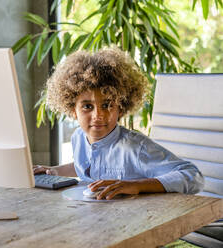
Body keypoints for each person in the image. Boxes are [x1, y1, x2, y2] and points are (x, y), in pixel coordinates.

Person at [34, 47, 204, 200]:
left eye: (107, 105)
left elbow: (192, 176)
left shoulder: (136, 148)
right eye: (87, 106)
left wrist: (136, 186)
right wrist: (53, 171)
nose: (98, 115)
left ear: (120, 108)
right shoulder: (78, 137)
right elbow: (89, 167)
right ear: (73, 110)